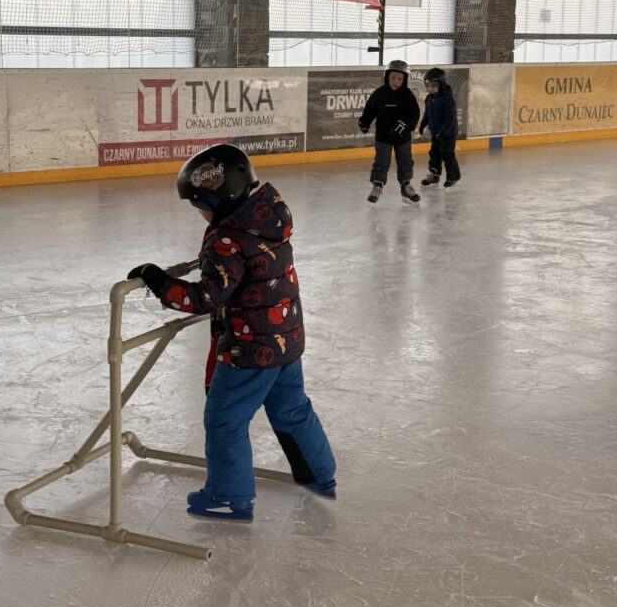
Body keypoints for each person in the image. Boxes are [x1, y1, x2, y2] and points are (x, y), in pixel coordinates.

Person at [127, 143, 336, 523]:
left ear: (219, 197)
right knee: (292, 410)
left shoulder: (227, 238)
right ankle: (320, 475)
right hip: (285, 338)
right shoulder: (266, 219)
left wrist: (157, 280)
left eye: (198, 204)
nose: (199, 213)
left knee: (224, 420)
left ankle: (229, 497)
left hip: (249, 348)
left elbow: (205, 297)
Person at [358, 59, 421, 204]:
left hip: (402, 137)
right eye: (393, 77)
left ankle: (406, 186)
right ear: (387, 77)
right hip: (383, 136)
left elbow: (414, 114)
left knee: (405, 161)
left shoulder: (407, 95)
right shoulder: (380, 93)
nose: (396, 81)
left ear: (404, 80)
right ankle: (377, 185)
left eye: (400, 78)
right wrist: (365, 122)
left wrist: (405, 125)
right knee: (381, 161)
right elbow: (370, 109)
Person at [418, 67, 461, 188]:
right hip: (436, 132)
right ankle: (435, 175)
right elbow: (427, 114)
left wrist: (442, 133)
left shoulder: (447, 100)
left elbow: (450, 119)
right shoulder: (429, 98)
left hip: (448, 133)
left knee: (447, 154)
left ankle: (453, 176)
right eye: (428, 86)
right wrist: (422, 125)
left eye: (433, 86)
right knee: (434, 153)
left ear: (441, 85)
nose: (429, 88)